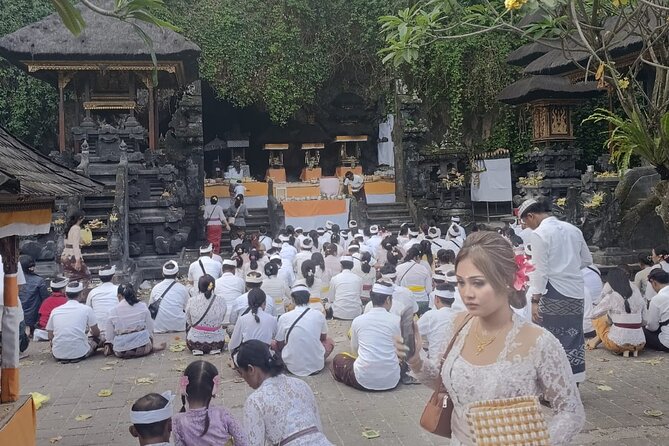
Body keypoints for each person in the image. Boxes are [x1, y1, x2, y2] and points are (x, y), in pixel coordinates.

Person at [399, 231, 585, 445]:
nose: (467, 293)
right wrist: (415, 358)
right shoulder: (458, 324)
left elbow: (571, 412)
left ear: (506, 281)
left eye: (478, 283)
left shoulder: (539, 342)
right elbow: (443, 384)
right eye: (461, 282)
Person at [520, 197, 592, 383]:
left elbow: (540, 271)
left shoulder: (540, 234)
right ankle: (574, 379)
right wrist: (568, 268)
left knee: (551, 339)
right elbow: (586, 260)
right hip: (575, 290)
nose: (527, 227)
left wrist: (535, 301)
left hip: (553, 291)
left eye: (526, 222)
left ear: (531, 216)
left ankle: (555, 384)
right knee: (573, 336)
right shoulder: (573, 230)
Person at [237, 340, 333, 445]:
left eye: (242, 373)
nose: (243, 379)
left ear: (251, 369)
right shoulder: (301, 384)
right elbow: (318, 428)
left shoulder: (255, 401)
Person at [332, 281, 401, 391]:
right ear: (388, 300)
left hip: (362, 379)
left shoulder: (358, 320)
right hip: (391, 380)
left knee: (338, 359)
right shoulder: (397, 321)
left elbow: (354, 349)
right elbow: (401, 350)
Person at [173, 360, 248, 445]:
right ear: (213, 391)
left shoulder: (178, 421)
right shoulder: (222, 414)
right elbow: (242, 440)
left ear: (185, 389)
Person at [273, 284, 334, 376]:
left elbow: (280, 343)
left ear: (293, 300)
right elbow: (323, 337)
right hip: (317, 366)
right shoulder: (319, 315)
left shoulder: (284, 317)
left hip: (292, 368)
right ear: (309, 298)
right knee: (330, 341)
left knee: (274, 344)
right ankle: (315, 360)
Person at [586, 267, 646, 356]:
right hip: (640, 344)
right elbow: (645, 321)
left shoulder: (611, 297)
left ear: (610, 282)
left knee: (599, 319)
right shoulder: (638, 297)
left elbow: (593, 315)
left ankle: (597, 340)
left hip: (617, 344)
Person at [46, 281, 101, 363]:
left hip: (58, 354)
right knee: (98, 338)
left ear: (66, 294)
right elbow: (96, 332)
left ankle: (63, 353)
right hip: (80, 353)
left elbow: (50, 336)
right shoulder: (86, 309)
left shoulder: (55, 310)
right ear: (82, 294)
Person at [105, 284, 164, 358]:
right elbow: (150, 329)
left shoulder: (112, 311)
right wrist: (151, 344)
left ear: (119, 296)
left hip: (120, 351)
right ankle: (151, 347)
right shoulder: (142, 306)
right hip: (143, 347)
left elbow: (109, 337)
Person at [186, 275, 228, 355]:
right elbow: (221, 318)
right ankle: (214, 350)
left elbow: (188, 320)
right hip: (218, 343)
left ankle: (197, 350)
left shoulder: (192, 300)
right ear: (213, 286)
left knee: (190, 329)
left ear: (199, 287)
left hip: (194, 343)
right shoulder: (221, 300)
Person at [417, 283, 458, 360]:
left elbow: (413, 332)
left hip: (435, 362)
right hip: (452, 362)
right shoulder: (458, 316)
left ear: (437, 299)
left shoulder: (431, 315)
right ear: (453, 301)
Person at [150, 260, 189, 333]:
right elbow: (187, 307)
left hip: (159, 326)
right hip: (179, 326)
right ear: (177, 274)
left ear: (163, 274)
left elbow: (151, 306)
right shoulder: (183, 289)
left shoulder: (156, 288)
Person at [18, 255, 49, 336]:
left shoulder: (13, 280)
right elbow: (45, 299)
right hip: (34, 317)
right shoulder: (39, 280)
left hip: (18, 314)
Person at [86, 265, 119, 341]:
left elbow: (88, 312)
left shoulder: (93, 292)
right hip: (116, 331)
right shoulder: (118, 290)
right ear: (113, 277)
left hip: (98, 332)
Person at [396, 247, 432, 315]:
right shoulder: (423, 269)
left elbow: (396, 286)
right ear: (417, 257)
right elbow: (429, 290)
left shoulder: (399, 268)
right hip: (422, 301)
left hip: (405, 301)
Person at [326, 256, 363, 320]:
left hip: (338, 313)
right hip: (355, 313)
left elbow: (331, 298)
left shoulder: (335, 278)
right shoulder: (359, 279)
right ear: (352, 266)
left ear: (341, 266)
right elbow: (359, 295)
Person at [61, 210, 91, 287]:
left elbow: (66, 242)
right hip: (73, 256)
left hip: (65, 255)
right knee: (86, 275)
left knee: (70, 277)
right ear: (80, 218)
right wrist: (78, 260)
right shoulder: (76, 228)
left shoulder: (69, 228)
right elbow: (75, 245)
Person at [34, 277, 69, 341]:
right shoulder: (66, 301)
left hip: (43, 328)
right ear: (62, 290)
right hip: (56, 329)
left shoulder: (46, 301)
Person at [644, 268, 669, 352]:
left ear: (654, 283)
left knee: (640, 330)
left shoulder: (657, 299)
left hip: (666, 343)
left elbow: (652, 327)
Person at [214, 259, 246, 324]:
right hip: (237, 317)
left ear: (222, 270)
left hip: (220, 317)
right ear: (234, 269)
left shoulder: (216, 282)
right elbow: (243, 296)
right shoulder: (240, 281)